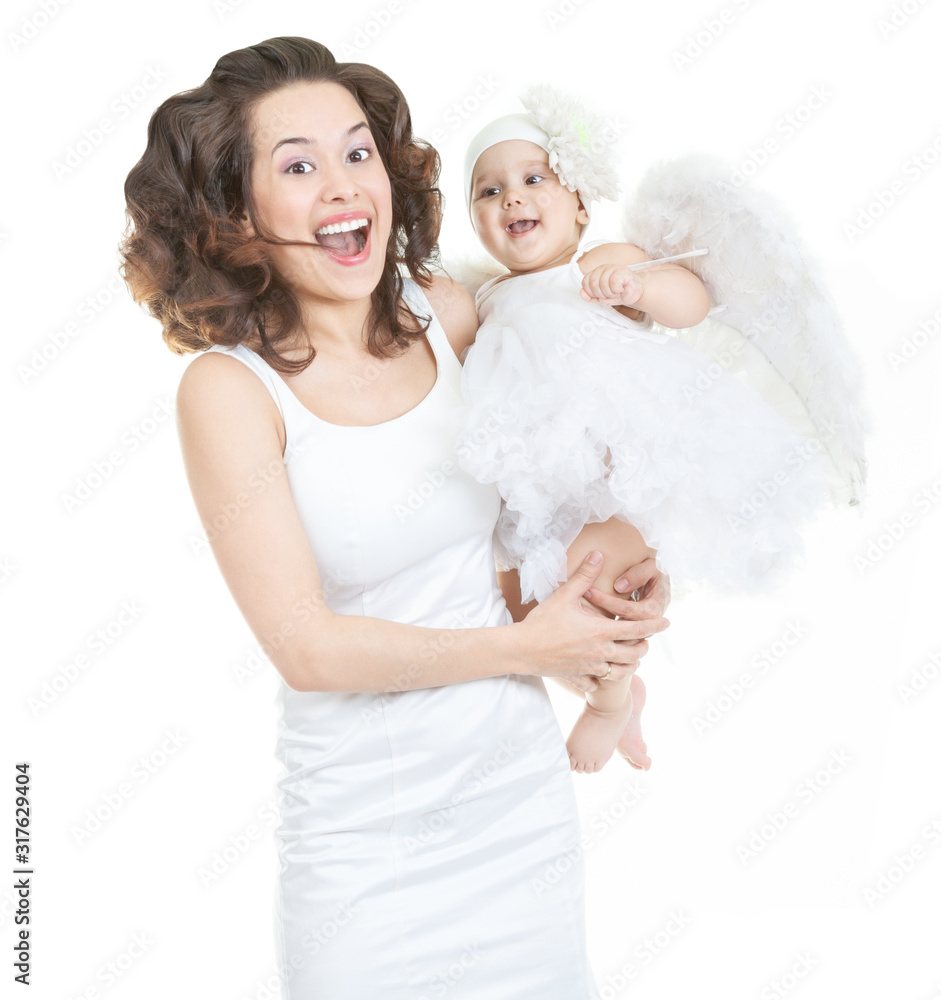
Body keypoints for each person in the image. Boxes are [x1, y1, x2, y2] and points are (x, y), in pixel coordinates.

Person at [119, 37, 670, 999]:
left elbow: (513, 546)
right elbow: (307, 647)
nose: (344, 185)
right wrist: (526, 649)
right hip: (363, 852)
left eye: (357, 152)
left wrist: (599, 608)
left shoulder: (451, 317)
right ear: (237, 215)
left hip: (517, 810)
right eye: (299, 166)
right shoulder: (230, 392)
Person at [458, 99, 832, 775]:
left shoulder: (597, 264)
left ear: (579, 204)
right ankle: (613, 691)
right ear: (476, 222)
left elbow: (691, 304)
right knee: (515, 610)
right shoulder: (486, 300)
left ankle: (610, 702)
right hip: (539, 492)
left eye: (534, 179)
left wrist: (638, 286)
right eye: (488, 191)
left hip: (621, 480)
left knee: (595, 586)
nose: (512, 196)